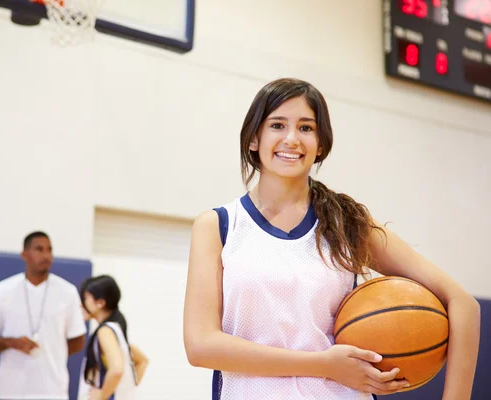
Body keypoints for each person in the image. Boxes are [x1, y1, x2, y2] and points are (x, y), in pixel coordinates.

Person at [182, 78, 481, 399]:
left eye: (306, 128)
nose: (292, 138)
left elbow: (463, 304)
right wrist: (324, 365)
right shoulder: (218, 225)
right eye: (278, 125)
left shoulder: (347, 223)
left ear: (321, 144)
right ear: (254, 138)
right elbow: (201, 346)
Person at [0, 231, 87, 400]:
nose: (46, 255)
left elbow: (78, 340)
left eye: (49, 250)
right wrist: (11, 342)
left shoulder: (68, 292)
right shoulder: (2, 290)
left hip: (53, 391)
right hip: (10, 391)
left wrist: (54, 351)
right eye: (39, 249)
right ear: (24, 254)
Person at [78, 275, 148, 400]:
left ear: (100, 302)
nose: (80, 304)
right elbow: (142, 361)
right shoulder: (115, 330)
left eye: (85, 298)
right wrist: (126, 391)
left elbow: (117, 370)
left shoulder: (105, 331)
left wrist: (101, 397)